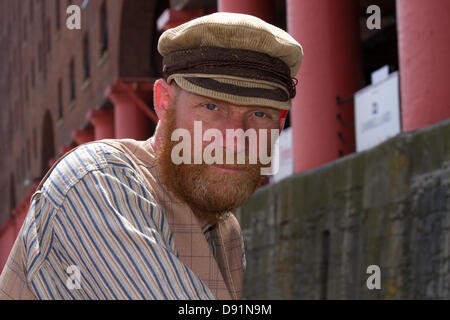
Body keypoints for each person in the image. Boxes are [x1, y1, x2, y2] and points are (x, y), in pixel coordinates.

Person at [0, 12, 302, 300]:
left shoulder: (226, 231)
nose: (236, 139)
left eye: (259, 114)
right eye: (211, 108)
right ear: (164, 102)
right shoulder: (94, 182)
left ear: (278, 125)